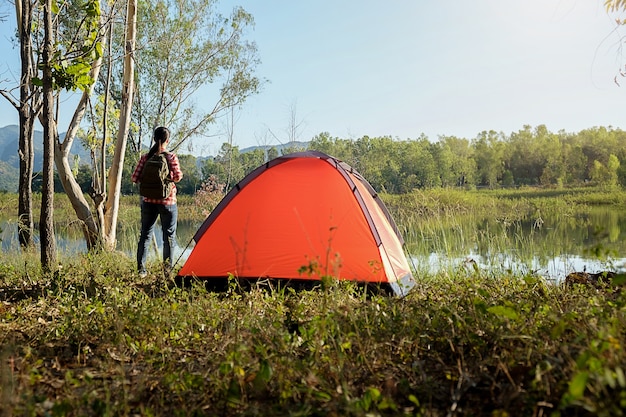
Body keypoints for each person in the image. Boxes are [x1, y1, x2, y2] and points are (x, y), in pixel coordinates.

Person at [131, 126, 183, 277]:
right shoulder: (171, 157)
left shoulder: (145, 158)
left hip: (148, 201)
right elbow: (178, 176)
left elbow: (134, 178)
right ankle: (167, 271)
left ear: (154, 138)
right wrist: (167, 178)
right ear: (167, 140)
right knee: (169, 237)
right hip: (168, 202)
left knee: (145, 235)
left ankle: (141, 270)